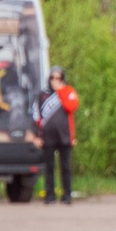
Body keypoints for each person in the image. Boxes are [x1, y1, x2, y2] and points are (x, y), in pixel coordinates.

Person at [34, 67, 78, 203]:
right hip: (47, 137)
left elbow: (72, 106)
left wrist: (61, 92)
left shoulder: (68, 91)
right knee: (49, 167)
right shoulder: (43, 95)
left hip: (64, 136)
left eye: (58, 78)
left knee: (65, 167)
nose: (55, 81)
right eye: (53, 78)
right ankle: (50, 196)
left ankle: (67, 195)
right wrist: (37, 136)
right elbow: (36, 116)